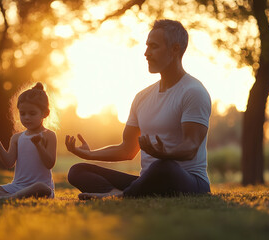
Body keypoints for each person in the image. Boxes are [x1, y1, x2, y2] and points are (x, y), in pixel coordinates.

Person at [65, 19, 211, 199]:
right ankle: (118, 193)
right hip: (149, 180)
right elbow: (127, 149)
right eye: (147, 46)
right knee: (78, 170)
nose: (146, 53)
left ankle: (122, 196)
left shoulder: (193, 92)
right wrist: (89, 154)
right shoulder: (142, 97)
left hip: (189, 182)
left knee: (163, 166)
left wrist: (164, 154)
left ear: (174, 50)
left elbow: (191, 147)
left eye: (154, 47)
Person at [0, 82, 57, 200]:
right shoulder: (17, 138)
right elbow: (9, 163)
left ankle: (3, 198)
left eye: (32, 113)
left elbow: (50, 163)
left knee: (41, 188)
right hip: (16, 187)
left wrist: (38, 145)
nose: (27, 117)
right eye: (22, 114)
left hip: (40, 188)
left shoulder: (49, 135)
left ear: (45, 113)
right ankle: (10, 197)